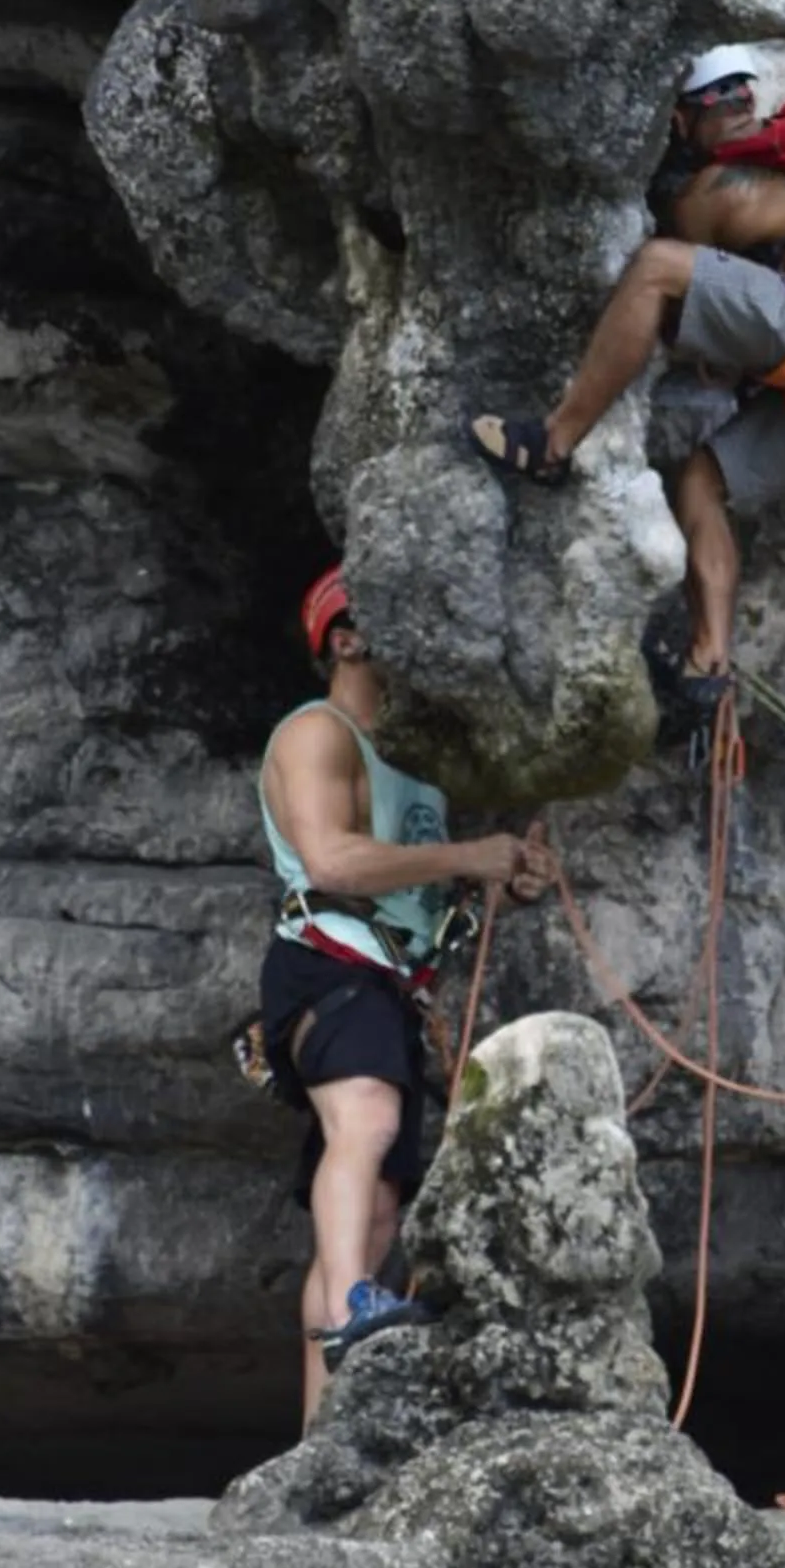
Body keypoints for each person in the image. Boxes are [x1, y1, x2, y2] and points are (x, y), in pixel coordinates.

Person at [469, 43, 785, 708]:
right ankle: (708, 661)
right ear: (747, 101)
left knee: (656, 266)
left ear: (685, 123)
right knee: (700, 480)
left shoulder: (710, 190)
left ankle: (553, 443)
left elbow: (674, 285)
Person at [258, 564, 554, 1426]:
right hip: (328, 961)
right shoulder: (319, 734)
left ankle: (318, 1440)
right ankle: (356, 1303)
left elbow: (412, 881)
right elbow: (335, 863)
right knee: (368, 1126)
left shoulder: (412, 768)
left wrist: (501, 876)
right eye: (388, 622)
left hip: (385, 978)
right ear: (343, 639)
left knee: (379, 1208)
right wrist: (470, 855)